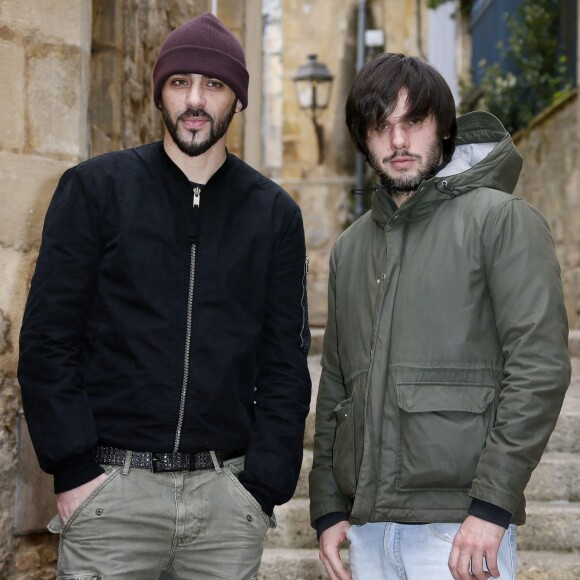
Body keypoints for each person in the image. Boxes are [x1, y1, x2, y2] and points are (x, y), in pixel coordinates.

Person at [18, 12, 311, 580]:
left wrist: (262, 490)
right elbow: (48, 340)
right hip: (111, 497)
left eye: (214, 85)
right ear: (160, 92)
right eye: (180, 83)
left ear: (237, 100)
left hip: (226, 505)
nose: (195, 100)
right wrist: (75, 470)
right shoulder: (94, 190)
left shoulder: (274, 215)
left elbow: (284, 364)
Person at [309, 53, 571, 580]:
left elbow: (540, 368)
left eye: (414, 122)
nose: (398, 142)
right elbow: (338, 384)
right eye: (381, 126)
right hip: (367, 530)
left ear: (444, 129)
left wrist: (491, 506)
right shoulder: (351, 248)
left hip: (459, 532)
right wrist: (329, 507)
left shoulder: (501, 220)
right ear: (363, 138)